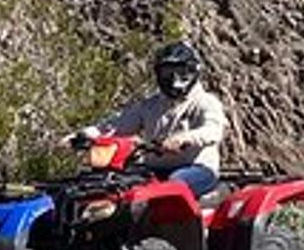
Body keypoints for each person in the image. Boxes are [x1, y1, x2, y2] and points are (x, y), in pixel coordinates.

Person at [76, 40, 227, 196]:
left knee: (173, 186)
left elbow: (213, 131)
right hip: (155, 169)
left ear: (192, 70)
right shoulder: (151, 105)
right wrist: (84, 135)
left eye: (180, 71)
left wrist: (184, 138)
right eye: (167, 72)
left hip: (197, 168)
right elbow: (116, 125)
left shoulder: (205, 102)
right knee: (116, 184)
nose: (174, 78)